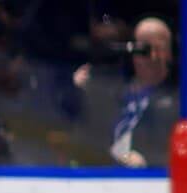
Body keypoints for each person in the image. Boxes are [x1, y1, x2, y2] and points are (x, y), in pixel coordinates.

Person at [70, 16, 177, 168]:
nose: (152, 56)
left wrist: (149, 163)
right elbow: (80, 140)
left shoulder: (179, 102)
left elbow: (185, 155)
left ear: (170, 53)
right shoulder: (111, 91)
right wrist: (78, 91)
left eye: (159, 48)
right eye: (144, 49)